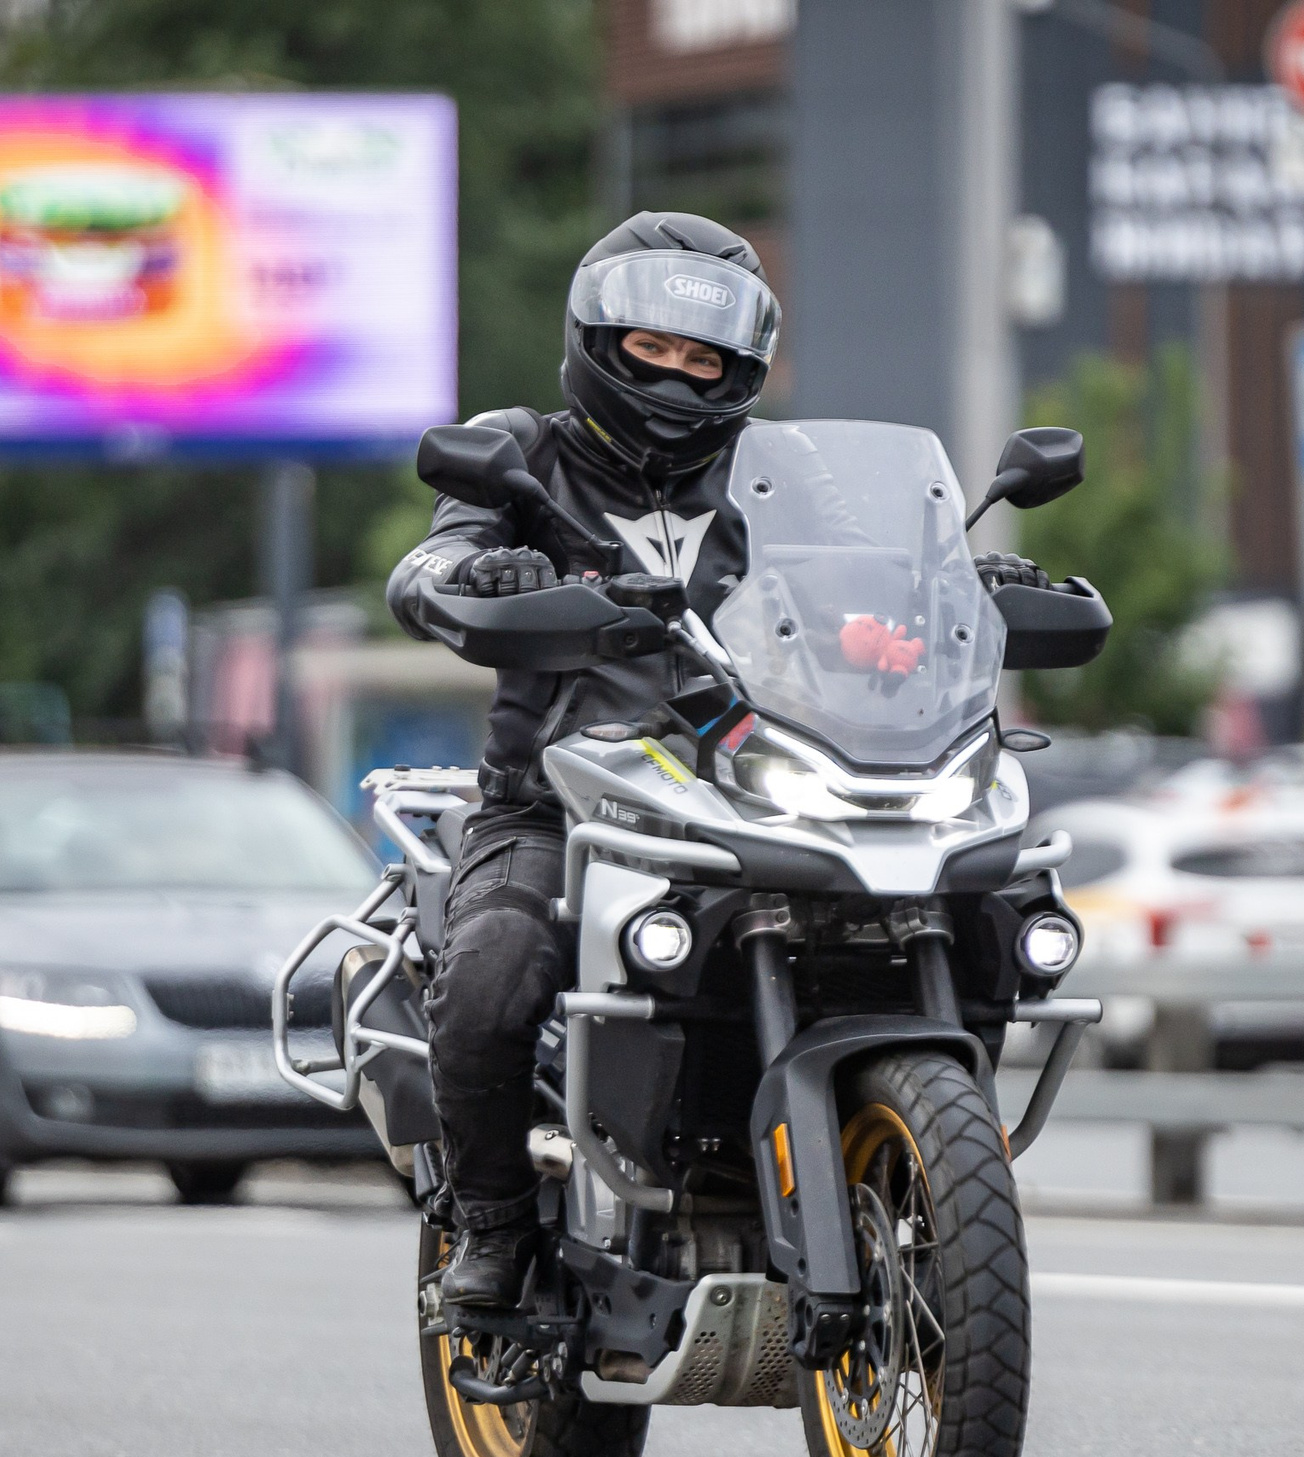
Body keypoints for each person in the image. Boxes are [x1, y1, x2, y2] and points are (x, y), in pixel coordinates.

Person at [389, 211, 1043, 1307]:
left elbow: (869, 587)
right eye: (655, 349)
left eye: (707, 358)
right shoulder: (523, 450)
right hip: (566, 802)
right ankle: (492, 1230)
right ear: (600, 339)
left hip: (752, 786)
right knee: (494, 978)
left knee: (983, 909)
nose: (681, 375)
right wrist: (477, 577)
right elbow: (432, 563)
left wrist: (961, 598)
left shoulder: (780, 473)